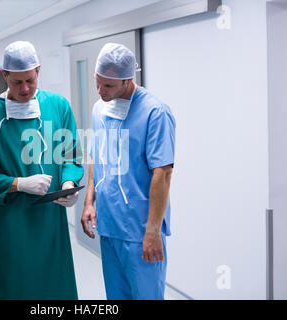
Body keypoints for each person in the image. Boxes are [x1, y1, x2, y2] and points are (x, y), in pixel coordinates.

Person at [0, 41, 83, 300]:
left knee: (56, 288)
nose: (25, 88)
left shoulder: (58, 107)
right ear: (4, 75)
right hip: (10, 226)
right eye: (17, 82)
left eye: (30, 80)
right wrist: (17, 183)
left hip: (51, 224)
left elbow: (70, 156)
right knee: (16, 287)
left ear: (38, 71)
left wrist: (69, 185)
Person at [81, 43, 176, 300]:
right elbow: (95, 157)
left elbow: (162, 174)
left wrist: (153, 232)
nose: (100, 91)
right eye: (97, 83)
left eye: (108, 86)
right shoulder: (99, 109)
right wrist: (89, 202)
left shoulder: (155, 112)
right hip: (109, 224)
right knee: (116, 296)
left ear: (128, 80)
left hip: (140, 229)